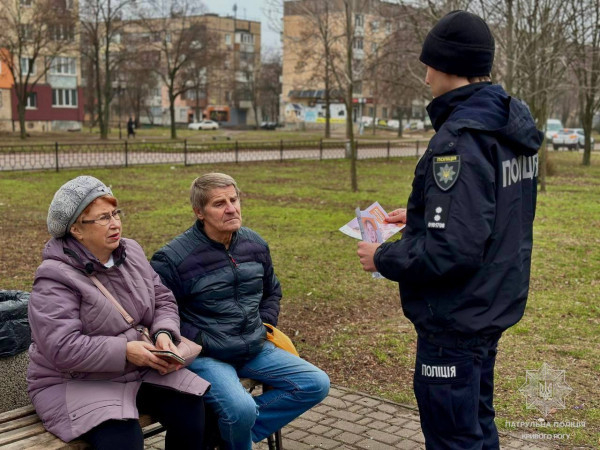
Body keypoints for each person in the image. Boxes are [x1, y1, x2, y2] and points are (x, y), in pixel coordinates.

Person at [357, 10, 543, 450]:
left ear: (445, 66)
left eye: (428, 66)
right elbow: (494, 211)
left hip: (455, 320)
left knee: (453, 437)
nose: (425, 79)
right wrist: (421, 214)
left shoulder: (460, 138)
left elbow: (450, 250)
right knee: (477, 424)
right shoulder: (508, 127)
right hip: (490, 303)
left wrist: (381, 258)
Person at [27, 176, 210, 450]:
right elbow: (61, 347)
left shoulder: (131, 251)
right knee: (124, 440)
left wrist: (163, 332)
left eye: (115, 213)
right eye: (103, 218)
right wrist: (125, 350)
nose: (115, 223)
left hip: (136, 369)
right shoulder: (54, 278)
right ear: (76, 229)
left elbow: (162, 298)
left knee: (192, 409)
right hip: (75, 381)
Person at [151, 173, 330, 450]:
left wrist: (262, 323)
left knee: (316, 383)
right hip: (208, 355)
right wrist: (202, 339)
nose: (231, 208)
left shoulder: (254, 244)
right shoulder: (173, 259)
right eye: (219, 203)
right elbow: (162, 311)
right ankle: (234, 430)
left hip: (253, 346)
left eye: (234, 199)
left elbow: (272, 291)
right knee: (241, 409)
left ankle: (223, 437)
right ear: (199, 212)